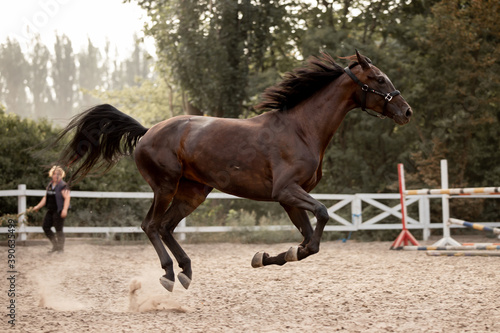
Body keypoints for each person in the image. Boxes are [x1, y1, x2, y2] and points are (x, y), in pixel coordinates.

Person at [32, 166, 71, 253]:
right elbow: (46, 198)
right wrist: (38, 206)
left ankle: (60, 249)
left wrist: (65, 210)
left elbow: (67, 198)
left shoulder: (63, 186)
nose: (56, 176)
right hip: (51, 210)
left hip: (59, 210)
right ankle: (55, 245)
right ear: (51, 174)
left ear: (61, 175)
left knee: (59, 229)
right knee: (45, 227)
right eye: (54, 174)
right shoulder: (50, 185)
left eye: (58, 174)